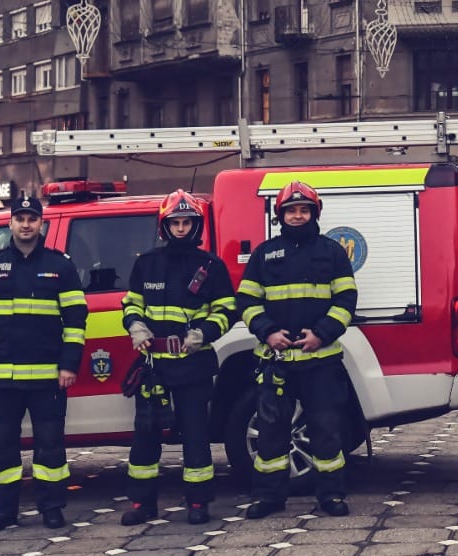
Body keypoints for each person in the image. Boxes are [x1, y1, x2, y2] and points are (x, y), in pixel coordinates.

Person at [0, 193, 86, 533]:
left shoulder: (59, 265)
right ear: (11, 222)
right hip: (1, 379)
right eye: (21, 218)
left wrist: (69, 365)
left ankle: (52, 508)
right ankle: (3, 512)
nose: (26, 224)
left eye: (32, 218)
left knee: (50, 447)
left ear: (41, 223)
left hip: (48, 377)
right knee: (1, 449)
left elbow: (76, 318)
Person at [238, 180, 359, 518]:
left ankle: (331, 496)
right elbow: (246, 300)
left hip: (319, 360)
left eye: (304, 210)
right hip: (275, 360)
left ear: (314, 213)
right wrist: (268, 333)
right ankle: (269, 498)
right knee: (271, 434)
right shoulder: (264, 253)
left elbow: (346, 300)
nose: (297, 216)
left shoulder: (332, 252)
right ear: (281, 215)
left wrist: (321, 334)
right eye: (291, 210)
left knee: (326, 430)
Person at [119, 189, 237, 527]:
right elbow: (131, 304)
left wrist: (203, 333)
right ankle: (142, 503)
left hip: (192, 363)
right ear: (164, 225)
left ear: (196, 226)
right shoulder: (147, 263)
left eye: (187, 222)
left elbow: (226, 310)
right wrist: (136, 327)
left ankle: (198, 501)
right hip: (153, 365)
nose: (181, 228)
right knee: (145, 434)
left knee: (195, 433)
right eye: (175, 222)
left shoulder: (210, 266)